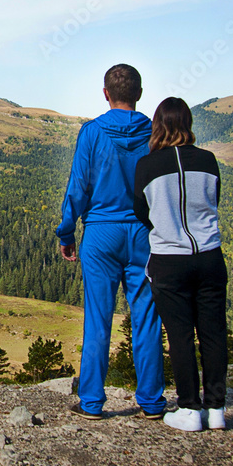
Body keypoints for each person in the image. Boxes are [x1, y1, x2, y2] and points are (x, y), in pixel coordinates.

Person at [56, 63, 166, 421]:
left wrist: (67, 232)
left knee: (99, 319)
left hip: (101, 233)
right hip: (145, 234)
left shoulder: (91, 133)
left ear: (106, 94)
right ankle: (151, 402)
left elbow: (79, 187)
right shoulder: (153, 133)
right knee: (147, 318)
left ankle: (91, 402)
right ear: (140, 93)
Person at [133, 96, 228, 432]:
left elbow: (141, 212)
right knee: (214, 333)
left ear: (158, 125)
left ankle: (189, 408)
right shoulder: (208, 160)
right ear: (187, 124)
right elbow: (215, 199)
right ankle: (217, 408)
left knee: (181, 335)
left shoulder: (147, 165)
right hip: (209, 255)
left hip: (169, 259)